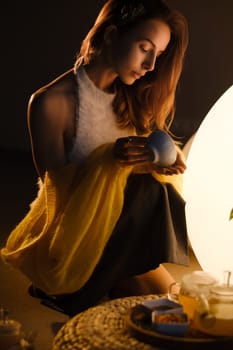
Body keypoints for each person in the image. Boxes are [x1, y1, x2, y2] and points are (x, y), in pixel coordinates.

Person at [1, 0, 189, 316]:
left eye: (158, 55)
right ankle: (81, 283)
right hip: (78, 237)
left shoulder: (131, 97)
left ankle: (109, 281)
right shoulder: (51, 102)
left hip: (125, 234)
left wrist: (161, 161)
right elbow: (56, 199)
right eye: (145, 48)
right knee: (171, 307)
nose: (150, 66)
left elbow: (143, 172)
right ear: (112, 34)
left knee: (178, 303)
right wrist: (111, 160)